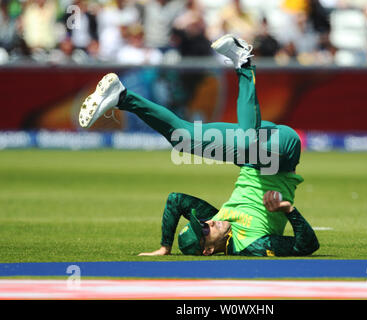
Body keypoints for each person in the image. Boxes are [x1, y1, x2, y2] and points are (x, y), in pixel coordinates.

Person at [78, 34, 320, 256]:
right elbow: (306, 246)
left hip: (252, 148)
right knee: (249, 141)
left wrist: (165, 246)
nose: (209, 223)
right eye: (204, 231)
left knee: (183, 139)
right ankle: (243, 62)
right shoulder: (251, 245)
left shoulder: (216, 220)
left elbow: (175, 200)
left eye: (202, 224)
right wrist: (288, 210)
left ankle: (122, 97)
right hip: (281, 154)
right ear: (208, 250)